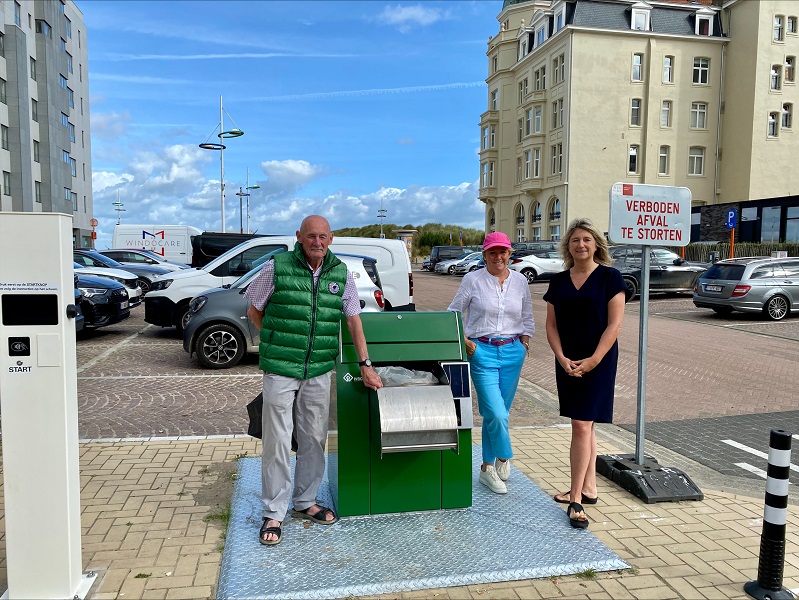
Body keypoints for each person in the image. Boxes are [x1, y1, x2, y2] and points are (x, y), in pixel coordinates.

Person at [245, 215, 383, 545]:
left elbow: (354, 321)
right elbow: (253, 311)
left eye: (322, 236)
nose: (316, 242)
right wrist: (274, 341)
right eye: (311, 236)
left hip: (320, 369)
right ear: (299, 237)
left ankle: (305, 501)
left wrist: (365, 364)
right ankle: (274, 512)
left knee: (314, 438)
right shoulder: (276, 267)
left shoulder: (341, 274)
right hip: (281, 369)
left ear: (331, 239)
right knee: (277, 439)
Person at [543, 218, 625, 529]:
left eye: (586, 240)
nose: (581, 245)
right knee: (586, 427)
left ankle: (576, 498)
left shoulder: (610, 278)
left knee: (581, 424)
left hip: (598, 361)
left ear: (596, 245)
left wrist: (593, 360)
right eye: (575, 240)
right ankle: (589, 488)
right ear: (568, 247)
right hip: (567, 362)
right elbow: (551, 325)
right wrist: (562, 357)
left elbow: (614, 326)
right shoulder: (559, 281)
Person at [448, 232, 534, 495]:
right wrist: (466, 342)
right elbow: (452, 312)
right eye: (493, 252)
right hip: (481, 352)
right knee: (497, 413)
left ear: (510, 254)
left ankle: (487, 468)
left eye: (503, 252)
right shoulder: (472, 280)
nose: (499, 257)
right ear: (484, 255)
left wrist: (525, 344)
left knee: (494, 414)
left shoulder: (520, 281)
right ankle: (505, 455)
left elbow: (527, 315)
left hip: (512, 353)